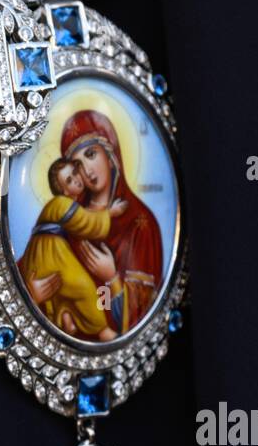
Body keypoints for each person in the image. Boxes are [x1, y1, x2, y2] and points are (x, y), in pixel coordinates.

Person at [23, 109, 163, 337]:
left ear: (111, 153)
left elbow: (144, 312)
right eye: (76, 166)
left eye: (90, 154)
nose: (86, 171)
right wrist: (33, 293)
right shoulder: (67, 219)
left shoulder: (141, 223)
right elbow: (33, 260)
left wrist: (112, 278)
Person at [16, 158, 129, 340]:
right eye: (69, 180)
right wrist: (109, 213)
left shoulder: (64, 207)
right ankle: (102, 330)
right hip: (52, 255)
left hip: (44, 258)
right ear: (64, 191)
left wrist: (112, 279)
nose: (78, 178)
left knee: (64, 292)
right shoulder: (62, 203)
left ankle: (66, 317)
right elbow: (86, 223)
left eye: (75, 173)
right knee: (83, 288)